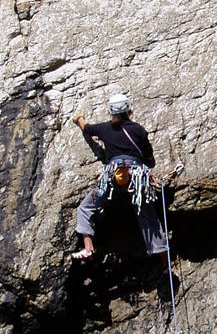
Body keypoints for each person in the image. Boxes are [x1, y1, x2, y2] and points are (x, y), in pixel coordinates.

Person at [71, 94, 168, 265]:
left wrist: (79, 118)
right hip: (137, 180)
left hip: (112, 178)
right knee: (148, 218)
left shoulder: (105, 129)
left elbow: (87, 129)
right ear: (128, 109)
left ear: (111, 111)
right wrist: (147, 164)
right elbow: (149, 158)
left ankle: (88, 247)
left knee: (85, 208)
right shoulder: (138, 130)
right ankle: (164, 263)